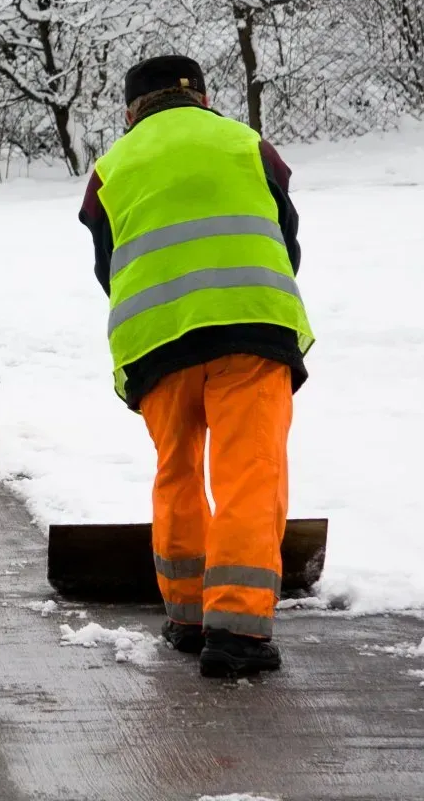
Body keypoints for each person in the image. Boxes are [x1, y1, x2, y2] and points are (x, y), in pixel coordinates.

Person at [79, 55, 314, 678]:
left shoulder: (112, 169)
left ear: (131, 112)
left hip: (156, 342)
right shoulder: (247, 144)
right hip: (252, 328)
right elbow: (285, 238)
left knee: (177, 469)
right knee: (247, 471)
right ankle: (235, 631)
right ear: (204, 98)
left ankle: (185, 616)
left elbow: (109, 265)